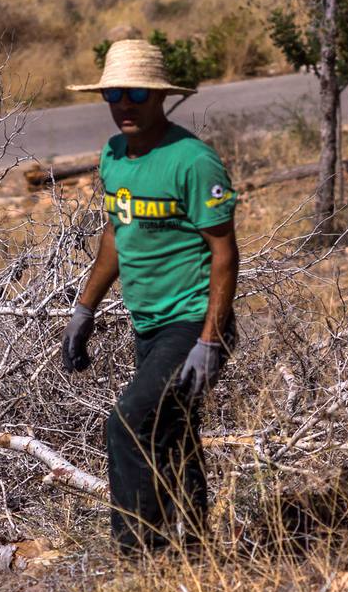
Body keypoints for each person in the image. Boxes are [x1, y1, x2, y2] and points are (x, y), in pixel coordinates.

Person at [60, 39, 239, 555]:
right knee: (173, 437)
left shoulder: (193, 160)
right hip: (147, 322)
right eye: (114, 93)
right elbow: (117, 234)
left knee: (128, 423)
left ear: (159, 96)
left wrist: (209, 339)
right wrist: (84, 309)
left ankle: (141, 555)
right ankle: (197, 551)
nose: (125, 104)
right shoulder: (113, 156)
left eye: (137, 92)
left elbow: (225, 253)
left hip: (192, 322)